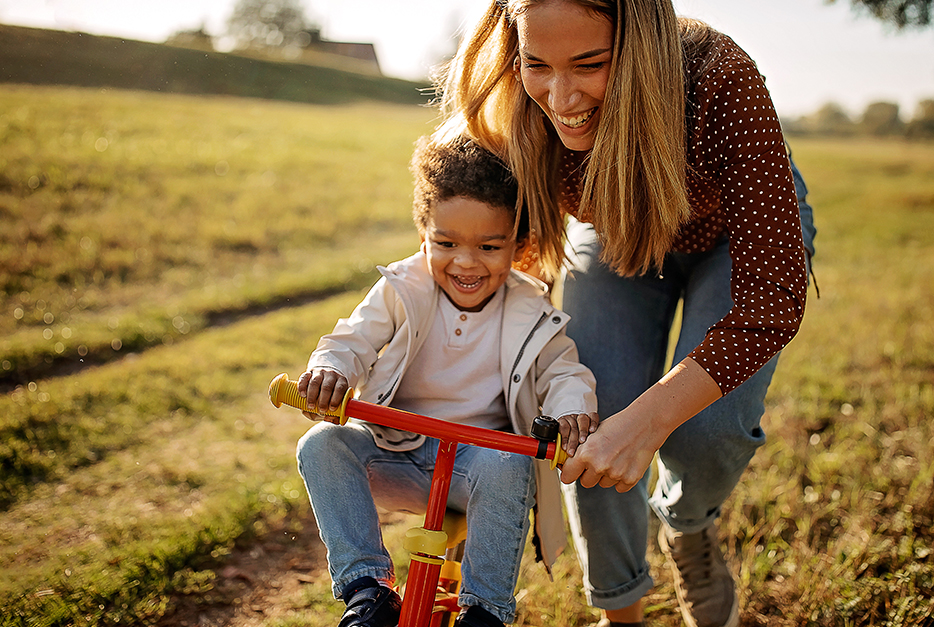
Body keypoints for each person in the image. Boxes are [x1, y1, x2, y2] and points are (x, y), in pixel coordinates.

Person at [433, 2, 816, 627]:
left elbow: (769, 301)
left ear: (638, 43)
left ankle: (687, 526)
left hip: (730, 238)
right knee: (586, 415)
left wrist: (649, 422)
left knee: (704, 432)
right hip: (615, 229)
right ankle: (622, 612)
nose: (560, 96)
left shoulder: (718, 77)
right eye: (538, 65)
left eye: (590, 64)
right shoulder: (513, 106)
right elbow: (499, 263)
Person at [294, 135, 599, 627]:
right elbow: (352, 340)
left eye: (489, 246)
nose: (466, 262)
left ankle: (484, 610)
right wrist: (331, 370)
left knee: (508, 461)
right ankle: (367, 589)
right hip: (395, 451)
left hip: (478, 470)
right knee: (321, 444)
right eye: (446, 243)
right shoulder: (403, 289)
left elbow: (563, 371)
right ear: (424, 236)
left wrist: (571, 409)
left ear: (518, 246)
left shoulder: (530, 312)